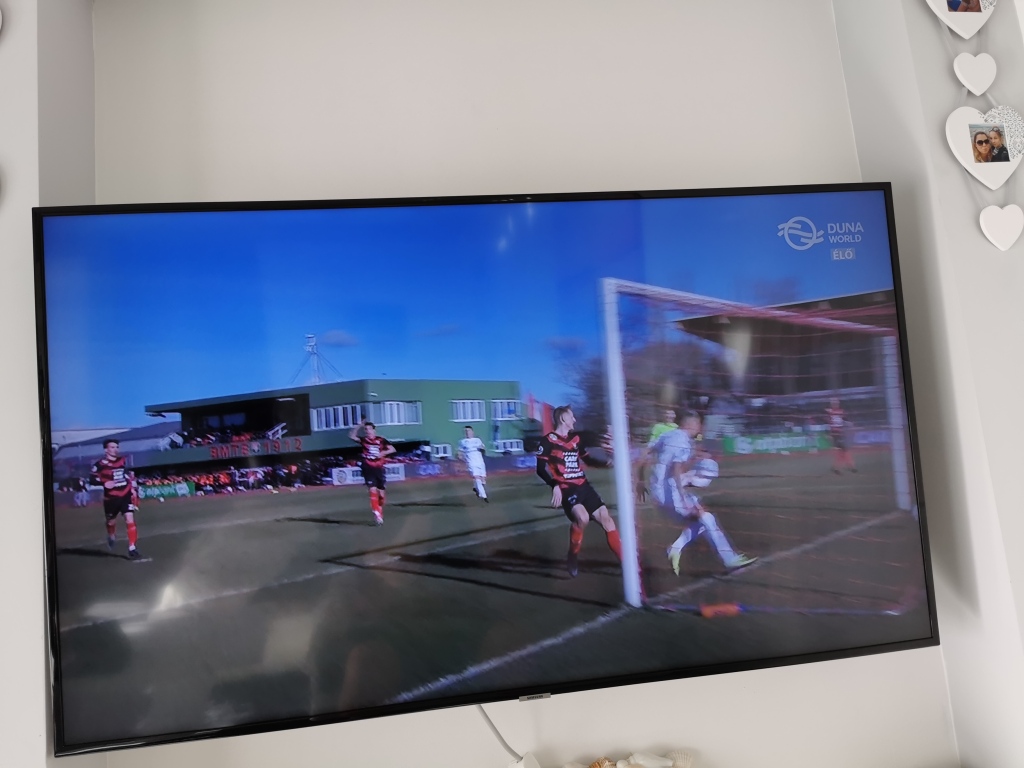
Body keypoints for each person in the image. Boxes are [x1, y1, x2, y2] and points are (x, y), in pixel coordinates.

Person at [636, 410, 755, 576]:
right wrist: (682, 496)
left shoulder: (667, 435)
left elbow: (644, 453)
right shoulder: (684, 442)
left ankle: (677, 548)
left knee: (703, 521)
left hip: (657, 494)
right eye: (698, 424)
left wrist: (640, 481)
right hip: (672, 493)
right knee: (706, 518)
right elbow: (677, 468)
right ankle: (729, 559)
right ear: (690, 424)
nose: (700, 428)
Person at [536, 405, 621, 578]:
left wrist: (606, 464)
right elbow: (540, 469)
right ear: (563, 419)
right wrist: (555, 485)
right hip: (567, 489)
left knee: (607, 520)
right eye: (571, 417)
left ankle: (627, 563)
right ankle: (573, 555)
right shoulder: (548, 441)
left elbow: (587, 460)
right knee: (582, 518)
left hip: (584, 486)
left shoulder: (575, 439)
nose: (574, 420)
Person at [89, 439, 142, 559]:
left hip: (125, 495)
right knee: (110, 522)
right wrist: (104, 483)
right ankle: (111, 534)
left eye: (117, 447)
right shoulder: (99, 464)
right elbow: (91, 479)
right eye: (112, 447)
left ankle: (132, 548)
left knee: (130, 519)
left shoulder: (122, 460)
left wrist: (132, 488)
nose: (115, 449)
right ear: (106, 449)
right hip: (111, 498)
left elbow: (127, 474)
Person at [348, 419, 396, 525]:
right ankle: (377, 515)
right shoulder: (363, 440)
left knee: (381, 495)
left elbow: (392, 449)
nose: (368, 431)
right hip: (368, 467)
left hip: (379, 468)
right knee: (372, 489)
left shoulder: (381, 440)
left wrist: (382, 453)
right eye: (366, 429)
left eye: (369, 429)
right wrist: (359, 425)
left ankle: (379, 508)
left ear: (374, 430)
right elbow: (351, 436)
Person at [458, 425, 488, 502]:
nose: (467, 432)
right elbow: (459, 452)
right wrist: (461, 458)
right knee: (477, 478)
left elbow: (483, 449)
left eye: (468, 431)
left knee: (483, 481)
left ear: (472, 432)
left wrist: (482, 449)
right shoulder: (463, 442)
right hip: (471, 462)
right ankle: (484, 496)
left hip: (480, 461)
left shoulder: (477, 440)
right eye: (465, 431)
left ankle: (476, 488)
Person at [826, 398, 856, 473]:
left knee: (842, 451)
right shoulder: (830, 412)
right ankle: (848, 466)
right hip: (836, 434)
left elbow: (846, 421)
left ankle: (837, 467)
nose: (835, 405)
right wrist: (829, 433)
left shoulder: (840, 412)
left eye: (836, 403)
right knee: (843, 451)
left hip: (840, 433)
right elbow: (829, 423)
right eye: (834, 403)